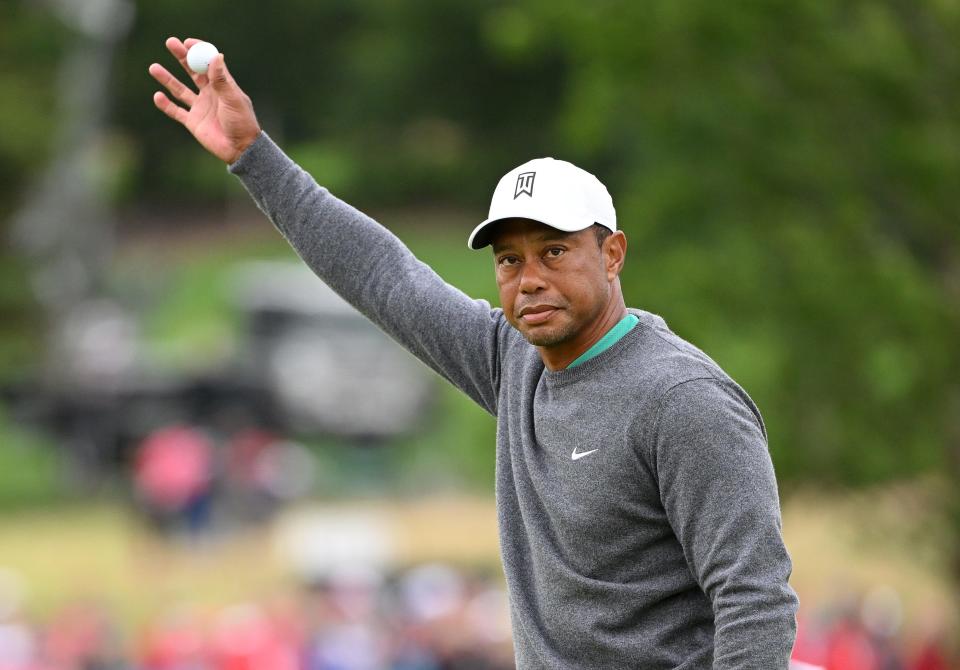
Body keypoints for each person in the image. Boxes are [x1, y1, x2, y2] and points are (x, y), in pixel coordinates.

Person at [149, 36, 799, 668]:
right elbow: (385, 277)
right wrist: (254, 155)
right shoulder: (511, 360)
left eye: (554, 251)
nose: (530, 278)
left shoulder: (682, 401)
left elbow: (755, 602)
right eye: (510, 260)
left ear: (612, 253)